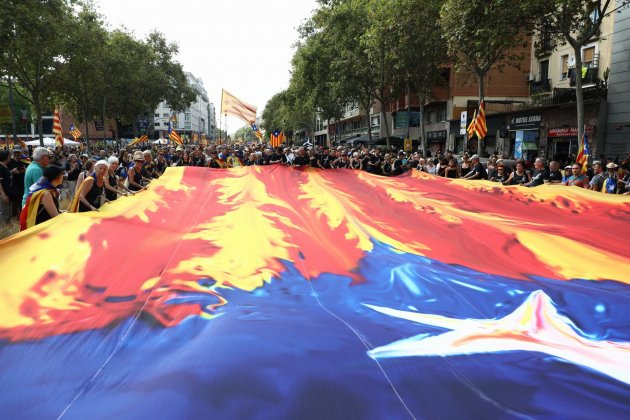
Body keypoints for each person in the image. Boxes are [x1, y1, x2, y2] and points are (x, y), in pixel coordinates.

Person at [19, 165, 65, 231]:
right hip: (42, 229)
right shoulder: (46, 193)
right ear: (57, 177)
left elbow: (50, 211)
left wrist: (64, 212)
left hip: (47, 226)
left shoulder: (50, 190)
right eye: (62, 174)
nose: (63, 176)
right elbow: (55, 215)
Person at [0, 150, 13, 224]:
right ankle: (4, 231)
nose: (10, 157)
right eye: (9, 156)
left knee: (8, 212)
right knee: (4, 213)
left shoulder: (5, 166)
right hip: (3, 193)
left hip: (8, 192)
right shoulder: (0, 166)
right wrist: (3, 194)